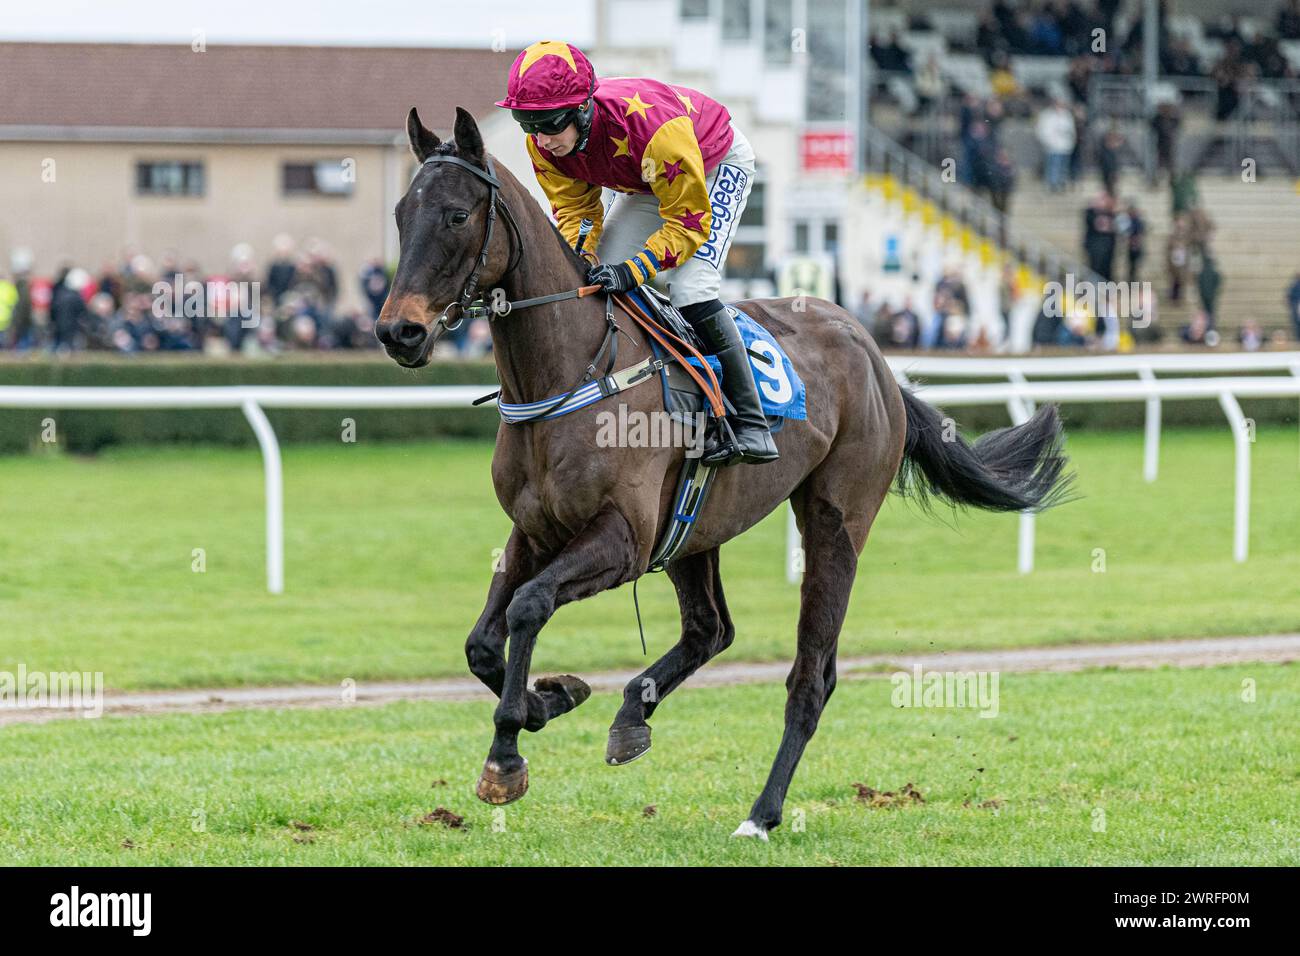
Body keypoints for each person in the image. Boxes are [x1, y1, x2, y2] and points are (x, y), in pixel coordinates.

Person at [498, 40, 777, 466]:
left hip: (711, 163)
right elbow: (577, 210)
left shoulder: (658, 133)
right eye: (526, 124)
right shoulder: (544, 144)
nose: (540, 139)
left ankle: (752, 424)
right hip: (644, 179)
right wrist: (582, 258)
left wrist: (637, 269)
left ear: (582, 110)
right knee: (594, 274)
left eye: (550, 124)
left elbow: (689, 221)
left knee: (690, 288)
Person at [1036, 97, 1076, 193]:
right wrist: (1048, 142)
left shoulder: (1066, 115)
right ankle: (1052, 184)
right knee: (1053, 166)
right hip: (1052, 146)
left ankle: (1061, 183)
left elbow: (1071, 130)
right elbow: (1042, 131)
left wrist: (1071, 141)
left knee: (1063, 166)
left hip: (1065, 146)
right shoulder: (1047, 115)